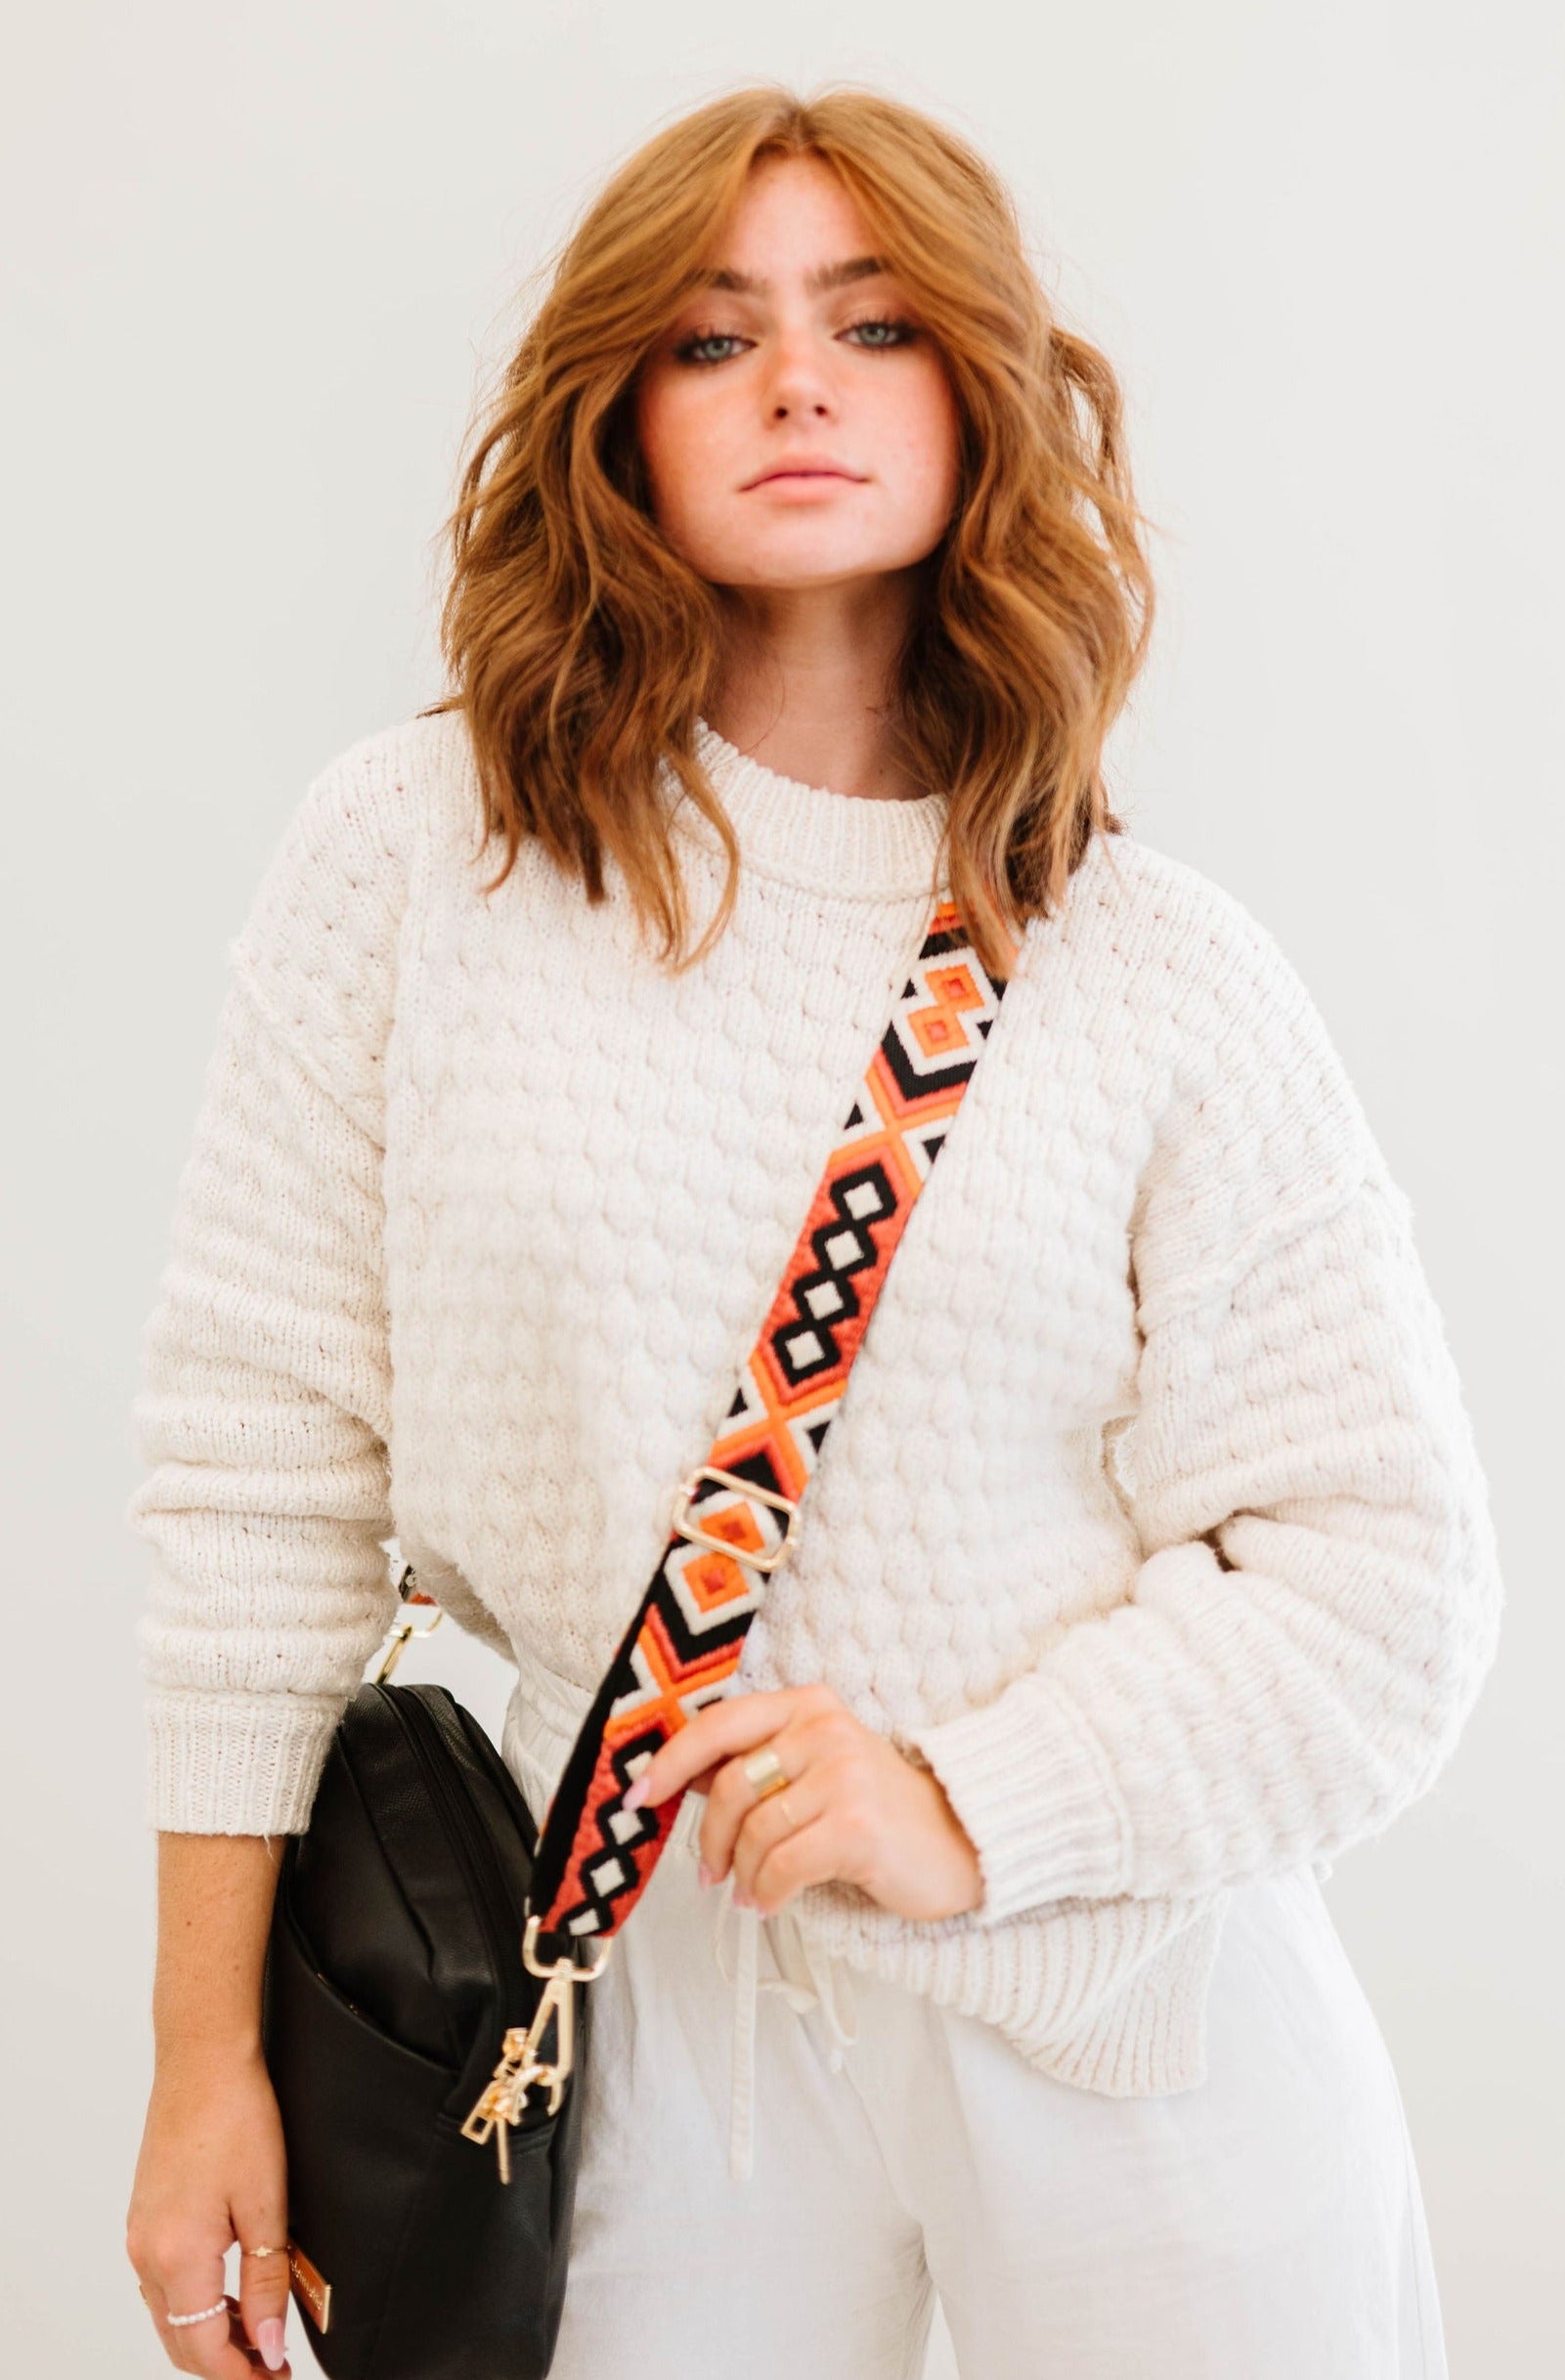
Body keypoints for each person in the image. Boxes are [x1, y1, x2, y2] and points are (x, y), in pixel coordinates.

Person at [123, 82, 1501, 2380]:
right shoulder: (415, 863)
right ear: (616, 413)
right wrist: (203, 2059)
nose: (794, 383)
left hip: (1124, 1992)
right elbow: (254, 1489)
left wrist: (965, 1803)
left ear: (979, 395)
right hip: (633, 2012)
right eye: (712, 335)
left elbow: (1387, 1584)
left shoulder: (1155, 968)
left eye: (873, 324)